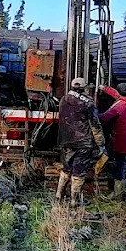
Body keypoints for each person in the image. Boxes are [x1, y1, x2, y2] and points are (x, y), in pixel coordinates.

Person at [55, 77, 100, 205]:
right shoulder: (88, 103)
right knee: (79, 171)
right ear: (84, 88)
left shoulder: (63, 99)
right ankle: (74, 200)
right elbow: (95, 126)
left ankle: (59, 194)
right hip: (83, 142)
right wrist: (101, 144)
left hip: (67, 140)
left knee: (67, 167)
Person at [98, 83, 126, 199]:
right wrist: (104, 88)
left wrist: (93, 113)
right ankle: (118, 189)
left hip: (121, 139)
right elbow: (117, 94)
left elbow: (105, 117)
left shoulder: (121, 105)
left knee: (118, 164)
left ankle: (117, 193)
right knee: (118, 161)